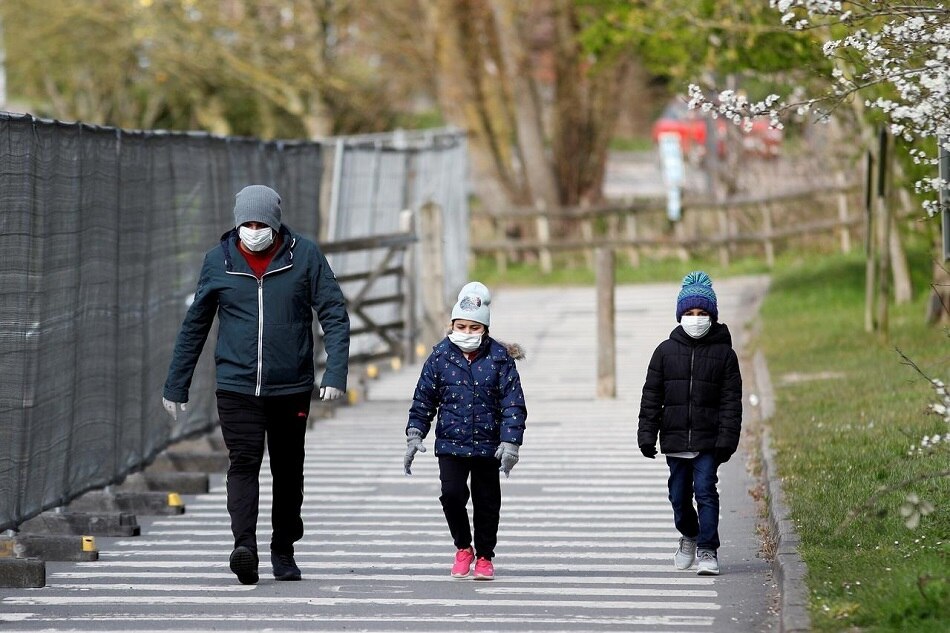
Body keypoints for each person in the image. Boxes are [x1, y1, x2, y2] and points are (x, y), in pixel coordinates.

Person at [162, 184, 350, 585]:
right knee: (243, 463)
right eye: (247, 222)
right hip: (236, 385)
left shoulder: (306, 256)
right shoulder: (218, 262)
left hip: (291, 386)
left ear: (275, 224)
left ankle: (284, 549)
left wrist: (335, 372)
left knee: (287, 470)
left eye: (261, 223)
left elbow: (333, 312)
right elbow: (195, 325)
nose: (254, 229)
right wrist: (176, 383)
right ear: (237, 223)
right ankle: (243, 547)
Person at [403, 281, 527, 581]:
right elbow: (424, 399)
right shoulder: (440, 357)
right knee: (452, 495)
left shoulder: (499, 359)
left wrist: (511, 443)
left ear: (484, 329)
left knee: (487, 502)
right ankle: (463, 547)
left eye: (474, 328)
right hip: (451, 444)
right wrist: (415, 433)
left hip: (488, 445)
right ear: (452, 326)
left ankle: (485, 555)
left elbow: (513, 404)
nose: (467, 334)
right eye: (461, 326)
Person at [637, 271, 742, 576]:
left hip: (709, 441)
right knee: (679, 496)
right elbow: (651, 396)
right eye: (690, 313)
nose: (696, 319)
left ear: (712, 315)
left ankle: (708, 549)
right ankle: (689, 535)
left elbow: (731, 401)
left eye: (702, 313)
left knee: (706, 491)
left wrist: (727, 439)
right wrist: (647, 434)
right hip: (675, 440)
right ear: (680, 315)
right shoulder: (665, 352)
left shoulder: (724, 355)